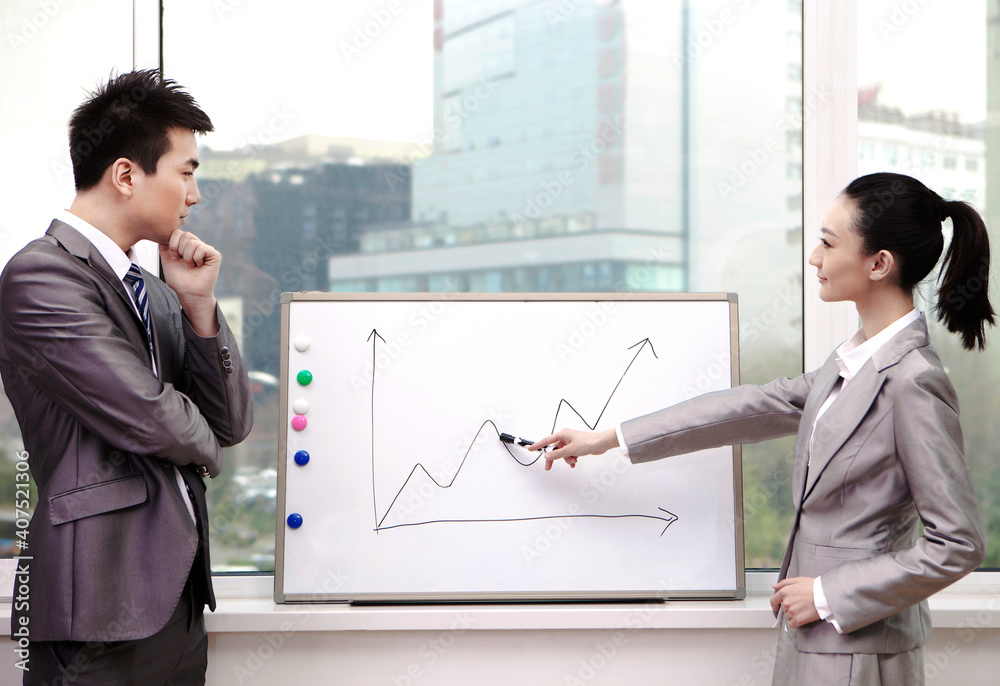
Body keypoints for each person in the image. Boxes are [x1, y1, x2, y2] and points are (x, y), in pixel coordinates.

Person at [529, 172, 992, 685]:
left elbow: (959, 543)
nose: (814, 258)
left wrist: (824, 594)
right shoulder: (851, 363)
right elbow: (744, 408)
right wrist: (609, 438)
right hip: (813, 639)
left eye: (827, 242)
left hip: (859, 650)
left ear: (879, 263)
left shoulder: (914, 380)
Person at [0, 69, 254, 685]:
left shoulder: (158, 290)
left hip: (179, 604)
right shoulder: (41, 278)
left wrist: (197, 306)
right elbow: (148, 415)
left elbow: (231, 421)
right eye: (186, 172)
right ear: (125, 174)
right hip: (100, 607)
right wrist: (198, 437)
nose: (193, 195)